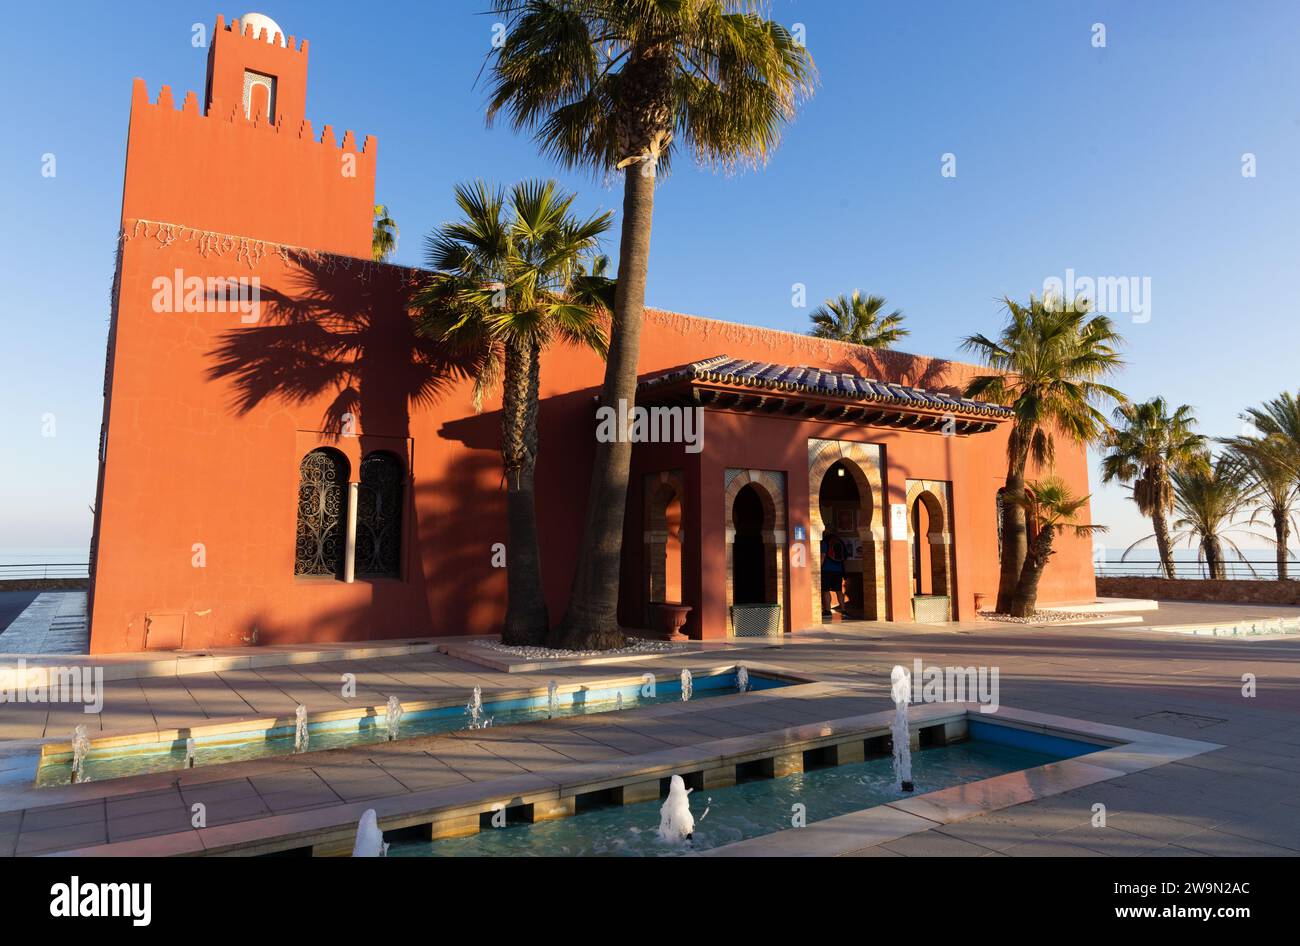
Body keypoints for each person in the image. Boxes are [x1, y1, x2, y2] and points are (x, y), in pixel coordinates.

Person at [821, 529, 847, 617]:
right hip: (838, 570)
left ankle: (827, 610)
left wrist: (819, 568)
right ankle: (843, 609)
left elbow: (823, 556)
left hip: (826, 570)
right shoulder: (840, 541)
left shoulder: (825, 542)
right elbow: (844, 557)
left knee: (826, 590)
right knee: (839, 590)